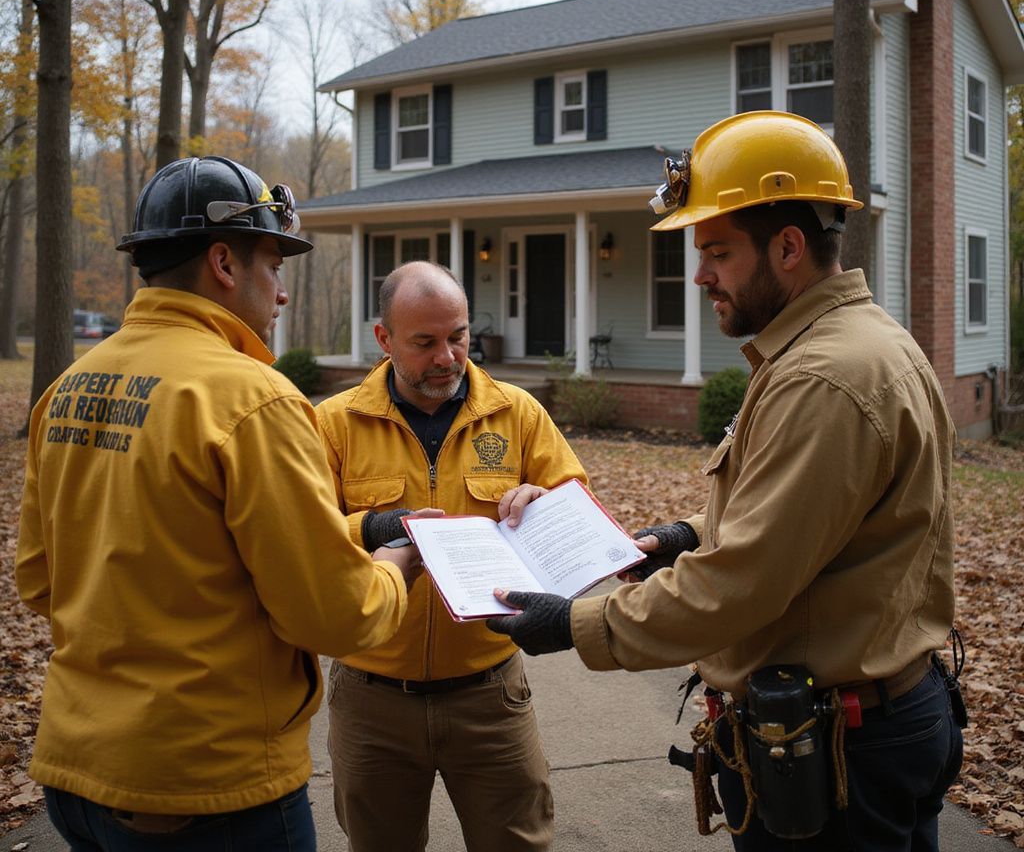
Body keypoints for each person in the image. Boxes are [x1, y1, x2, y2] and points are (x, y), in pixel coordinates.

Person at [488, 111, 964, 852]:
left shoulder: (824, 377)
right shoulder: (850, 347)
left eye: (716, 251)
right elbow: (804, 523)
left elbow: (745, 580)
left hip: (840, 752)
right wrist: (685, 538)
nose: (699, 273)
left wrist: (573, 624)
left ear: (788, 247)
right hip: (866, 728)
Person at [16, 155, 420, 851]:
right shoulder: (252, 399)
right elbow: (332, 613)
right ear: (225, 263)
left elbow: (37, 579)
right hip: (208, 789)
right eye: (276, 265)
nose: (283, 293)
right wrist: (393, 569)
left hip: (74, 775)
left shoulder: (68, 388)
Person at [315, 260, 587, 852]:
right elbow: (300, 535)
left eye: (459, 335)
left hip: (490, 694)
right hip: (371, 698)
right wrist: (375, 525)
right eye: (425, 342)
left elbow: (579, 509)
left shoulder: (516, 413)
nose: (447, 357)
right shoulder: (333, 425)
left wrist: (543, 503)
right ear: (384, 339)